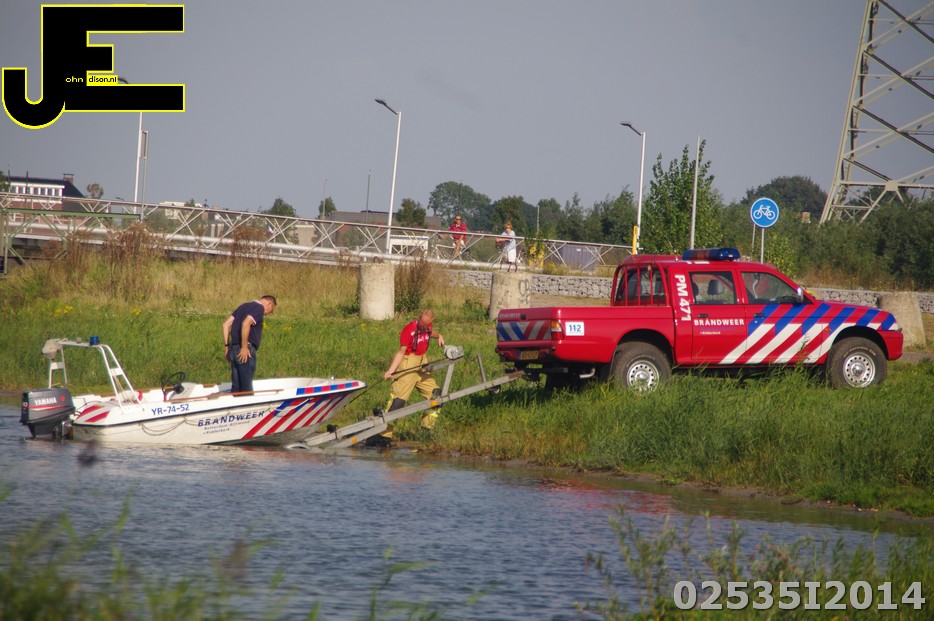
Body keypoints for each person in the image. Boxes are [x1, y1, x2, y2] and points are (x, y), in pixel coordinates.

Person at [383, 310, 446, 428]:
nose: (424, 328)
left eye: (426, 326)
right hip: (408, 364)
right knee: (398, 402)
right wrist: (391, 370)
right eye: (422, 325)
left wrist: (439, 336)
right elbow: (401, 352)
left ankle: (426, 427)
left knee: (437, 395)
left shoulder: (427, 327)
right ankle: (384, 433)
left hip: (422, 363)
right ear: (419, 318)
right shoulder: (408, 330)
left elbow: (430, 333)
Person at [222, 295, 277, 393]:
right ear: (269, 304)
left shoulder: (243, 306)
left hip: (233, 350)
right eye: (271, 311)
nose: (268, 314)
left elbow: (226, 324)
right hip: (245, 351)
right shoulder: (259, 308)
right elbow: (246, 323)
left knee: (236, 389)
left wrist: (227, 347)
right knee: (246, 390)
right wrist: (244, 347)